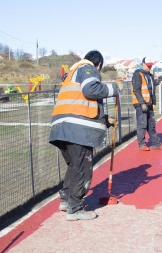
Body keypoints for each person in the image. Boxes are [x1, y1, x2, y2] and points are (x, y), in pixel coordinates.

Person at [49, 50, 123, 221]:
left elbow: (80, 105)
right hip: (77, 131)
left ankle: (67, 200)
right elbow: (91, 90)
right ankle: (75, 209)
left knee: (74, 166)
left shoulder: (72, 75)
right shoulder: (87, 69)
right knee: (82, 167)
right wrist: (114, 88)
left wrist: (104, 120)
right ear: (98, 65)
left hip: (62, 128)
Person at [131, 57, 162, 151]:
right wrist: (142, 103)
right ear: (143, 64)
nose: (150, 67)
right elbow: (136, 90)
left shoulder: (149, 75)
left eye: (151, 65)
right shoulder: (137, 74)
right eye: (148, 66)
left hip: (149, 103)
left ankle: (156, 143)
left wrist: (157, 82)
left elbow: (149, 86)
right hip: (141, 104)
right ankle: (141, 144)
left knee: (151, 124)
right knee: (142, 124)